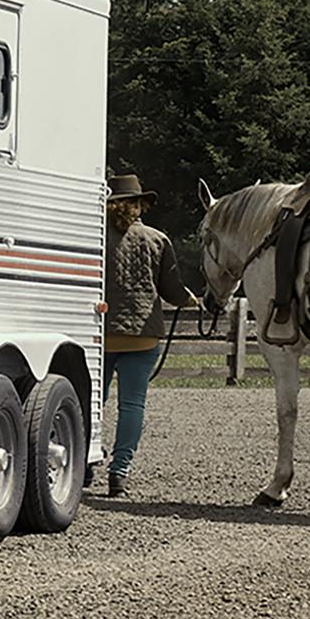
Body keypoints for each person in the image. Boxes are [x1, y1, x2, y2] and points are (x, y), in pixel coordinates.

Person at [102, 170, 193, 496]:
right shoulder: (158, 239)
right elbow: (172, 290)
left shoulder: (95, 236)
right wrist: (189, 300)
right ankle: (119, 472)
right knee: (132, 405)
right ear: (138, 206)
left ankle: (84, 462)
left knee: (93, 401)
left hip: (102, 332)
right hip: (142, 334)